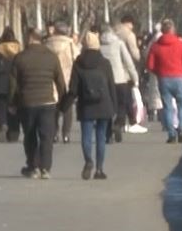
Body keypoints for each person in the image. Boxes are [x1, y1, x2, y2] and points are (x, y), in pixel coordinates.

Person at [9, 28, 68, 180]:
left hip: (27, 102)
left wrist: (12, 102)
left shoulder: (20, 58)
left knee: (30, 136)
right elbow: (60, 82)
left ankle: (33, 166)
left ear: (29, 38)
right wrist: (63, 102)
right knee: (47, 137)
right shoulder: (51, 57)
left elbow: (13, 84)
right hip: (48, 102)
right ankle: (45, 168)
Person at [69, 32, 118, 180]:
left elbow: (73, 88)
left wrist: (64, 105)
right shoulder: (105, 63)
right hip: (104, 103)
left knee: (86, 136)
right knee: (101, 137)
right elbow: (111, 86)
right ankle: (99, 169)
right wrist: (114, 107)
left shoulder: (78, 63)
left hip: (86, 104)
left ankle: (88, 160)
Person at [146, 18, 182, 144]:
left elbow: (150, 65)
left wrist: (159, 73)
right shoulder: (181, 44)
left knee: (167, 107)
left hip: (164, 79)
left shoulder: (156, 46)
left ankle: (171, 133)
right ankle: (181, 129)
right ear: (173, 30)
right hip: (179, 78)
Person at [99, 24, 138, 142]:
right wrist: (135, 77)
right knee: (122, 104)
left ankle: (108, 133)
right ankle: (118, 124)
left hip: (104, 80)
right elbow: (128, 62)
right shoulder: (119, 43)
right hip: (120, 79)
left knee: (107, 106)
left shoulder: (99, 45)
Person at [43, 22, 79, 143]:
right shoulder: (70, 45)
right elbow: (78, 60)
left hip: (51, 79)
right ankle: (66, 133)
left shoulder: (47, 44)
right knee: (67, 107)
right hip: (67, 79)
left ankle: (54, 133)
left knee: (53, 108)